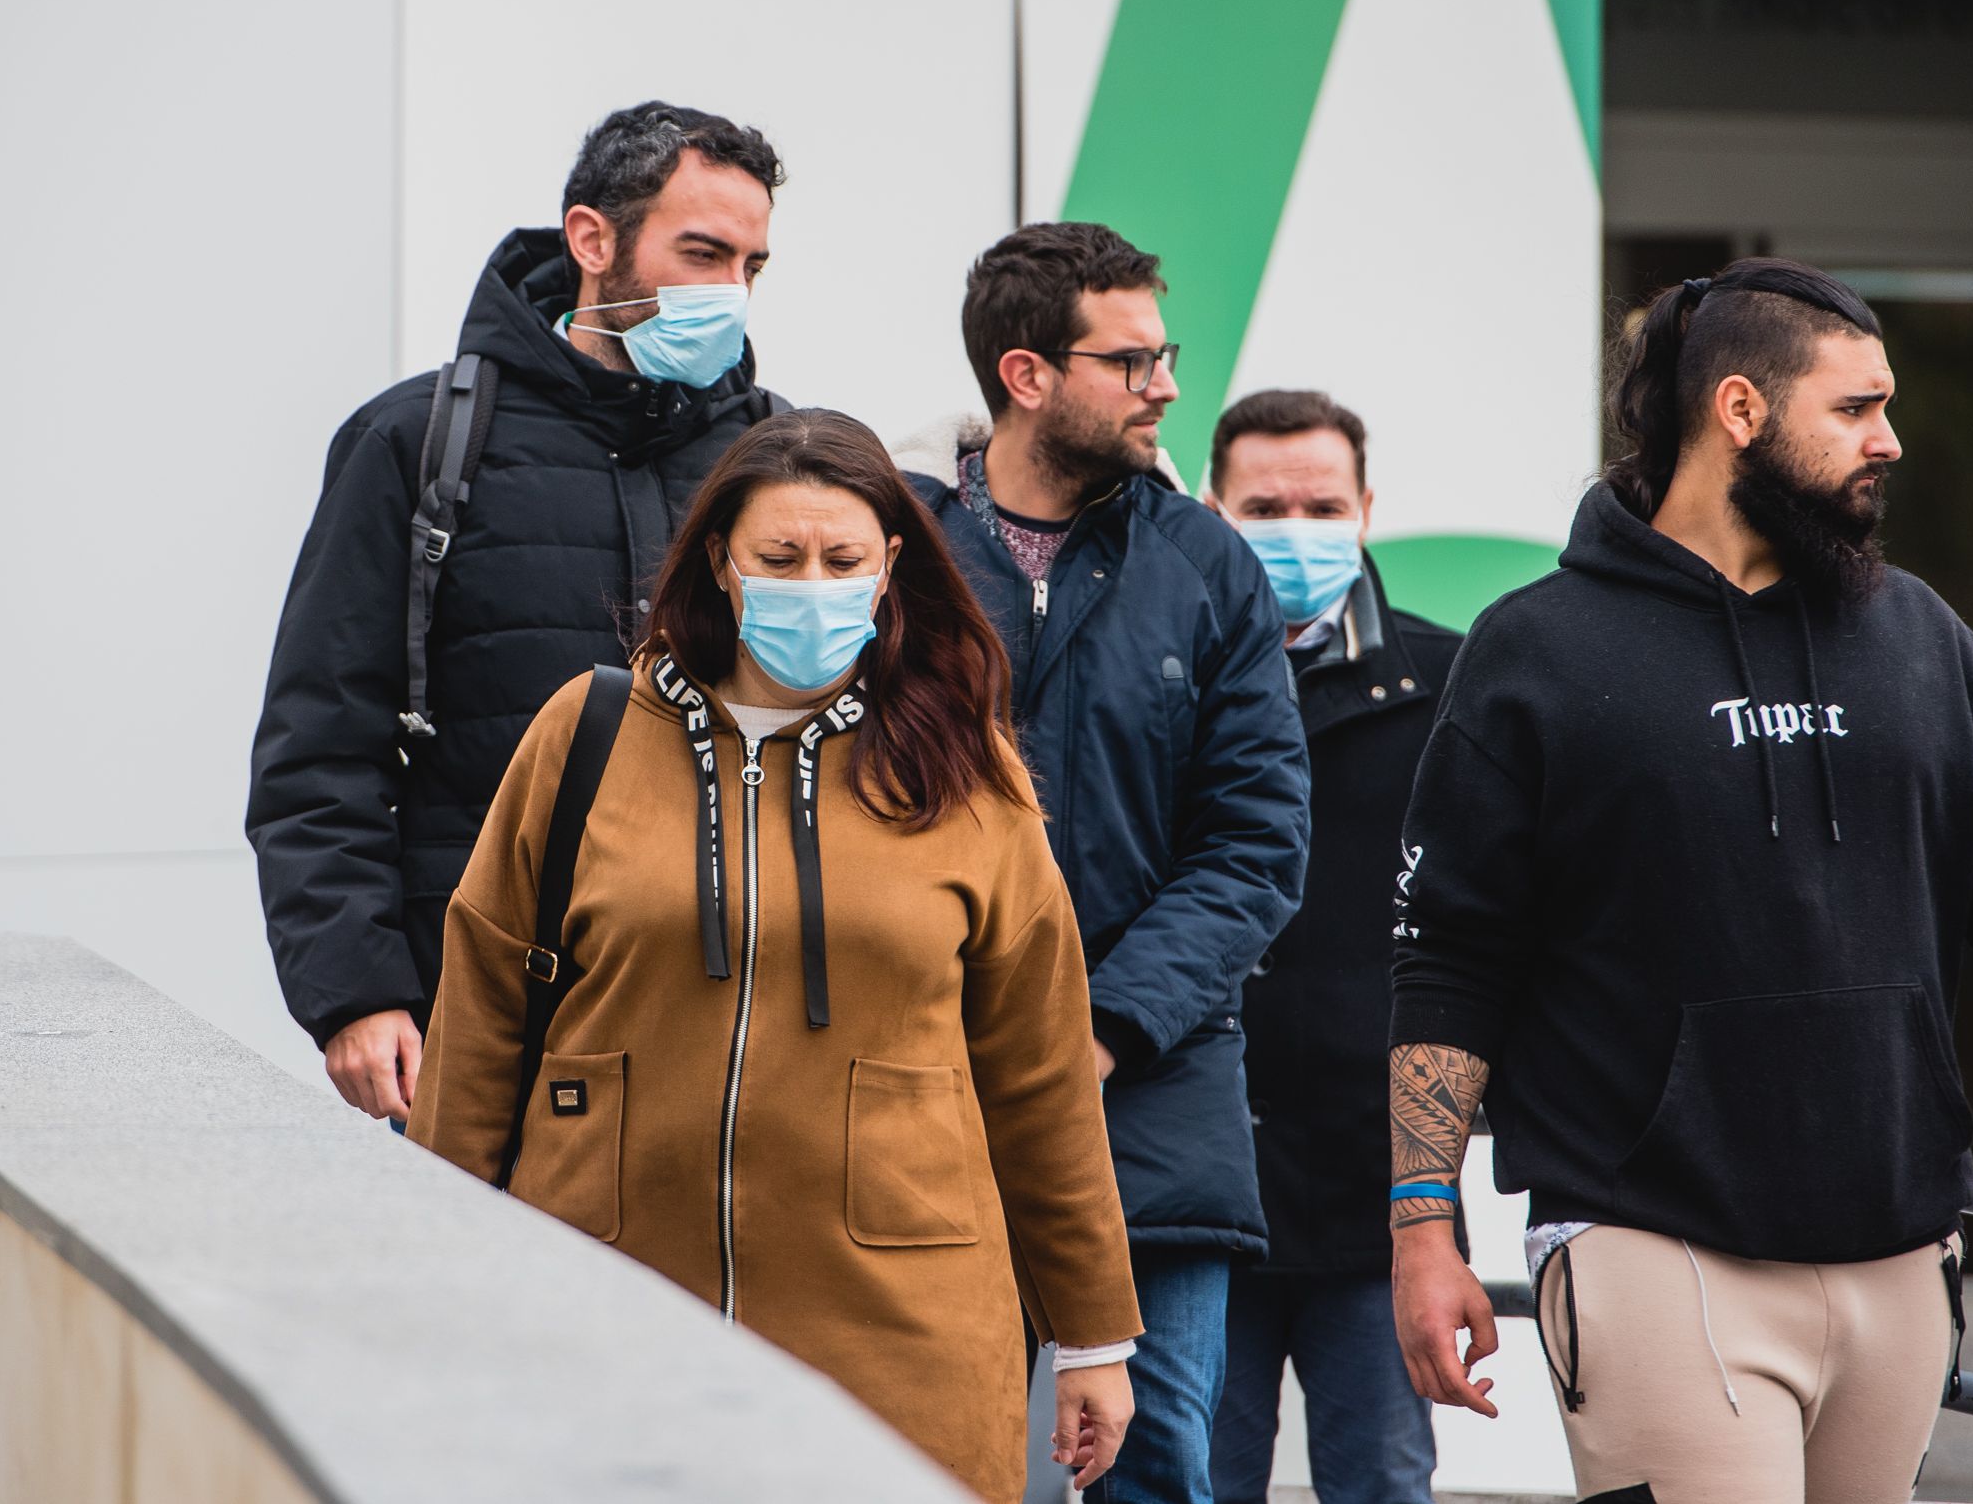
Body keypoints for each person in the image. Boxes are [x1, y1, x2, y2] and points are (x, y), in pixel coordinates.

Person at [1387, 257, 1973, 1504]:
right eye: (1855, 408)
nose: (1889, 441)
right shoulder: (1538, 649)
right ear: (1739, 410)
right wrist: (1421, 1225)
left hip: (1901, 1252)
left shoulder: (1920, 636)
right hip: (1653, 1246)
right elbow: (1450, 957)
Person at [406, 410, 1141, 1503]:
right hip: (606, 1296)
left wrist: (1090, 1333)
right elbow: (481, 1017)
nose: (812, 586)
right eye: (780, 557)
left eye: (842, 561)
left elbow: (1039, 1071)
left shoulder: (962, 764)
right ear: (720, 560)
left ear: (889, 567)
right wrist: (428, 1275)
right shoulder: (588, 731)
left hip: (903, 1323)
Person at [247, 101, 789, 1123]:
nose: (731, 293)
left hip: (730, 1023)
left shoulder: (775, 457)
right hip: (486, 1013)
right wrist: (356, 994)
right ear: (592, 239)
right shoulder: (417, 443)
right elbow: (320, 748)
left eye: (750, 266)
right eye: (702, 253)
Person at [899, 223, 1313, 1504]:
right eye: (1131, 362)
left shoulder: (1205, 562)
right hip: (920, 1079)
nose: (1166, 386)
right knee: (927, 1455)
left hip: (1151, 1094)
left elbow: (1257, 843)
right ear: (1026, 377)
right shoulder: (894, 553)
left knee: (1157, 1462)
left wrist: (1102, 1028)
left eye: (1163, 355)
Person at [1198, 390, 1460, 1504]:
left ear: (1366, 510)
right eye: (1264, 508)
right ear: (1213, 509)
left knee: (1382, 1484)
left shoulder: (1448, 685)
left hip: (1375, 1198)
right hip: (1199, 1188)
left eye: (1320, 507)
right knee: (1182, 1482)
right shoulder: (1165, 671)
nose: (1294, 531)